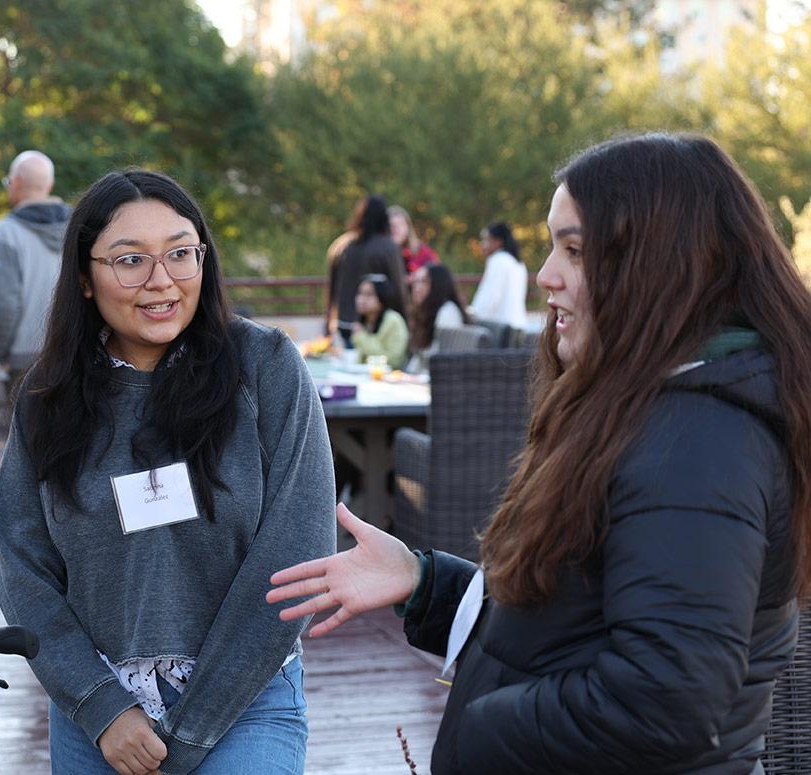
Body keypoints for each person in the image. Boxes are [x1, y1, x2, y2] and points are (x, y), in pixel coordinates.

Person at [268, 132, 811, 773]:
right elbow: (577, 630)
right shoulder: (666, 413)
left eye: (574, 250)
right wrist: (427, 585)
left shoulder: (697, 445)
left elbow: (664, 704)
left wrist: (481, 730)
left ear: (660, 264)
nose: (545, 275)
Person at [0, 169, 336, 775]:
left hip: (245, 702)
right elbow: (24, 570)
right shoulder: (47, 399)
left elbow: (296, 554)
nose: (162, 281)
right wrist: (102, 708)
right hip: (97, 714)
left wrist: (195, 728)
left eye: (181, 253)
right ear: (84, 277)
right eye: (130, 260)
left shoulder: (264, 368)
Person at [0, 150, 72, 401]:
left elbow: (6, 301)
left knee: (27, 436)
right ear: (50, 185)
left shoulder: (7, 232)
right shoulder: (78, 224)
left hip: (23, 356)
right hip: (72, 347)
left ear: (15, 183)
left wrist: (0, 351)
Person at [326, 195, 407, 346]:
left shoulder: (341, 245)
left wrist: (327, 325)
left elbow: (331, 290)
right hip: (377, 329)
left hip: (343, 323)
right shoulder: (388, 247)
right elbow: (399, 288)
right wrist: (405, 321)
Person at [405, 263, 471, 371]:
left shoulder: (447, 314)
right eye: (415, 281)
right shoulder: (426, 312)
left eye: (423, 282)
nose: (416, 287)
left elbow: (443, 361)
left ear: (438, 285)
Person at [468, 220, 528, 332]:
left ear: (498, 242)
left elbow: (489, 298)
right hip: (518, 324)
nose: (482, 244)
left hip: (501, 330)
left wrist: (472, 318)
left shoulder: (498, 261)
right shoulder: (517, 262)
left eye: (485, 240)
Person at [350, 273, 409, 370]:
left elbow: (394, 360)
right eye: (360, 293)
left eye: (369, 294)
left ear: (382, 297)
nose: (361, 299)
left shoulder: (393, 320)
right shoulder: (366, 320)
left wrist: (361, 337)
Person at [388, 204, 439, 274]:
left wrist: (422, 273)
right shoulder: (379, 251)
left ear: (408, 227)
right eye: (391, 225)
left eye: (401, 224)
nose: (396, 229)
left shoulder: (420, 250)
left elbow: (437, 271)